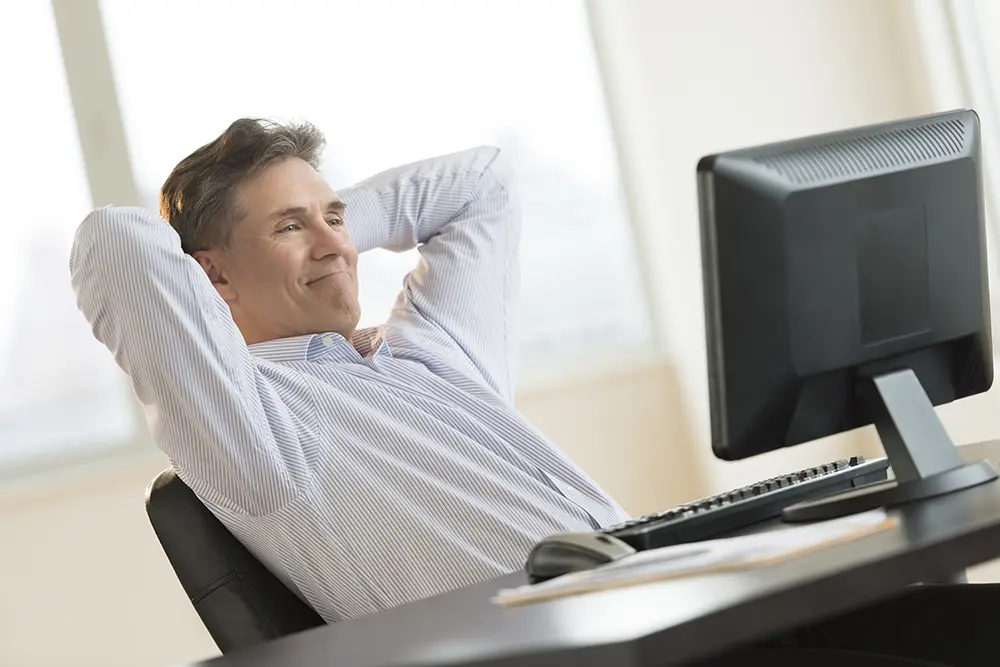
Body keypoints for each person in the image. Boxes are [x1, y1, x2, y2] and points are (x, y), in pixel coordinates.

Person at [72, 118, 994, 666]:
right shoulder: (251, 430)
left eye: (337, 218)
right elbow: (118, 244)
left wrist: (320, 225)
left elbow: (486, 182)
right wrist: (270, 251)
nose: (336, 245)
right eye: (289, 226)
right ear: (212, 281)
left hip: (694, 615)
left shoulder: (426, 350)